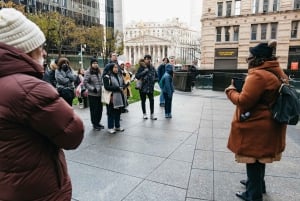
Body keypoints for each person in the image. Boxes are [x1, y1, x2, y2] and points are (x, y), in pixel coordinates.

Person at [0, 8, 84, 200]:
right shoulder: (29, 88)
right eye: (39, 46)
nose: (44, 52)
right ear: (25, 49)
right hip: (36, 190)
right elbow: (73, 134)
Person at [224, 40, 287, 201]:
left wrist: (230, 89)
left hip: (257, 125)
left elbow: (244, 101)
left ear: (256, 58)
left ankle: (253, 194)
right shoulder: (275, 70)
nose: (248, 58)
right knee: (260, 158)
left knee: (252, 159)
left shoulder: (258, 75)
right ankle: (257, 184)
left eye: (250, 55)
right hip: (269, 123)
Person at [103, 63, 128, 134]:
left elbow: (122, 84)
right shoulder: (107, 76)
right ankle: (110, 127)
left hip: (119, 96)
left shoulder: (119, 75)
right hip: (111, 97)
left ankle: (117, 126)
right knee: (111, 112)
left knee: (118, 112)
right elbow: (107, 87)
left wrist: (125, 85)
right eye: (114, 68)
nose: (116, 69)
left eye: (117, 67)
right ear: (111, 68)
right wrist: (117, 88)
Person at [83, 58, 105, 131]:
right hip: (92, 94)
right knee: (94, 110)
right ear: (91, 64)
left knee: (100, 109)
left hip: (100, 94)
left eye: (96, 63)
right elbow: (85, 83)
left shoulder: (99, 71)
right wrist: (92, 88)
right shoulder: (88, 72)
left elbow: (101, 81)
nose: (95, 64)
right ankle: (94, 124)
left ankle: (98, 122)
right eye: (94, 63)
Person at [135, 55, 158, 120]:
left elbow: (157, 76)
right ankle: (144, 114)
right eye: (147, 59)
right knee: (143, 101)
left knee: (152, 100)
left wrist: (154, 80)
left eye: (149, 59)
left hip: (150, 87)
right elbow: (137, 76)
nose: (148, 60)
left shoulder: (152, 68)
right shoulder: (141, 68)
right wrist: (144, 71)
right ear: (144, 60)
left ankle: (152, 114)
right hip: (143, 87)